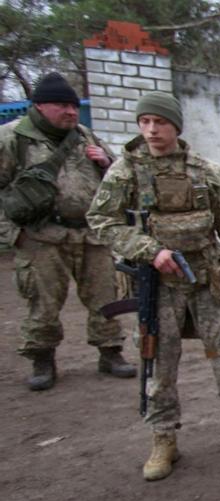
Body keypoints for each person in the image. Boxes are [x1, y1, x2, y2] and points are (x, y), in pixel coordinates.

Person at [87, 92, 220, 481]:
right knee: (159, 362)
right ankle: (163, 437)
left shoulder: (207, 172)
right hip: (159, 285)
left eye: (161, 122)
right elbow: (102, 221)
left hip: (208, 278)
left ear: (176, 126)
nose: (152, 130)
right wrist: (149, 250)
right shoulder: (126, 172)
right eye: (145, 122)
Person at [0, 72, 135, 390]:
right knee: (43, 302)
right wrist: (11, 233)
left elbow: (121, 175)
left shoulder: (85, 135)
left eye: (73, 106)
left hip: (91, 233)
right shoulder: (13, 139)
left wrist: (106, 161)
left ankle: (110, 352)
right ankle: (42, 359)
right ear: (40, 106)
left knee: (105, 296)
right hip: (41, 236)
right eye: (62, 106)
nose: (71, 112)